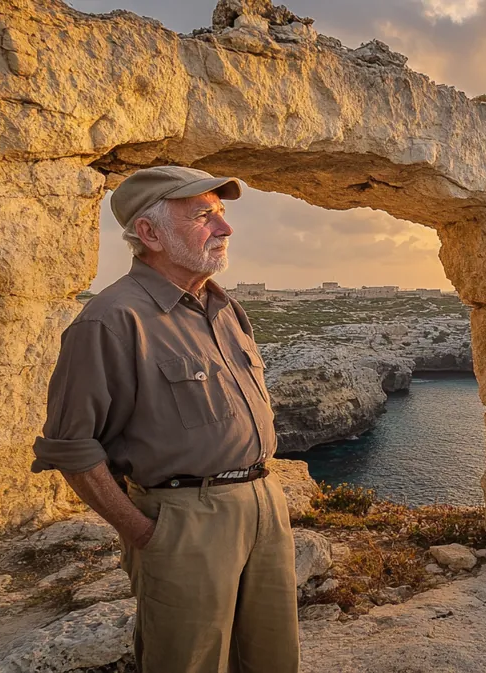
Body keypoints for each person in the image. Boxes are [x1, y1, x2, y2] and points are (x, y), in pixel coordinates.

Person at [31, 166, 299, 673]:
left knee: (271, 657)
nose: (225, 228)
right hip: (186, 522)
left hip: (265, 506)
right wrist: (143, 533)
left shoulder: (225, 308)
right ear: (149, 234)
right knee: (187, 662)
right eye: (203, 216)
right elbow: (70, 446)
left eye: (221, 213)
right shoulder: (110, 320)